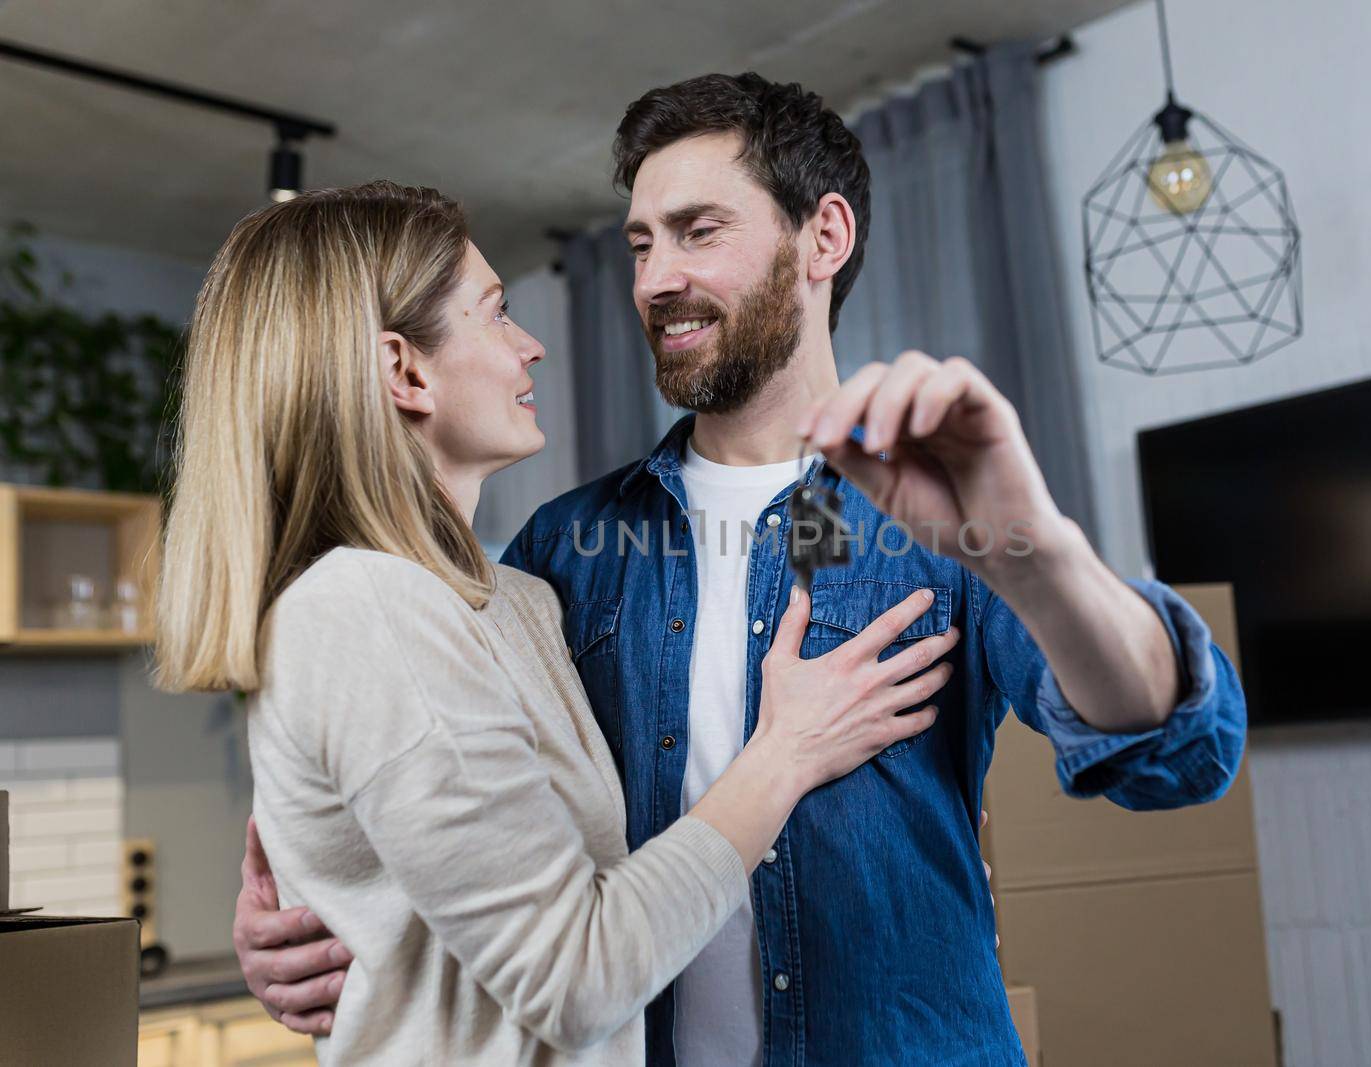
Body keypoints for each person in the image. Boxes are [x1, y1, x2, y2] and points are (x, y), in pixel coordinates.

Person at [237, 74, 1249, 1066]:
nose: (653, 278)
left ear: (825, 237)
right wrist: (324, 908)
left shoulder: (946, 523)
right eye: (639, 243)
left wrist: (1029, 544)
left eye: (698, 230)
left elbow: (1176, 752)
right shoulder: (561, 548)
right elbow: (450, 814)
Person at [156, 180, 964, 1064]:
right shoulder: (364, 613)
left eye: (700, 230)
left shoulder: (521, 599)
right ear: (404, 371)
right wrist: (787, 753)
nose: (531, 347)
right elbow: (573, 976)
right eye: (497, 314)